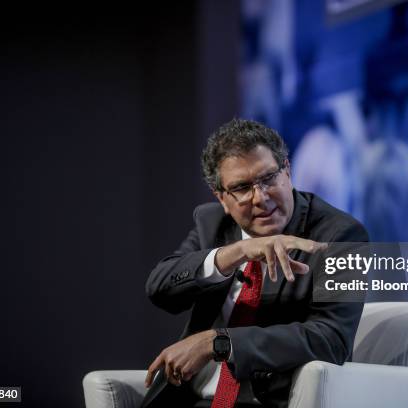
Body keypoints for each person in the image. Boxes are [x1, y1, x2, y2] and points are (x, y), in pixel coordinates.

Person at [142, 118, 368, 408]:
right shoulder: (213, 223)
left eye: (268, 178)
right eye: (242, 187)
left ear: (287, 170)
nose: (260, 198)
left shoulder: (340, 236)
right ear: (222, 197)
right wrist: (237, 252)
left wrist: (219, 343)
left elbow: (331, 339)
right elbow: (159, 289)